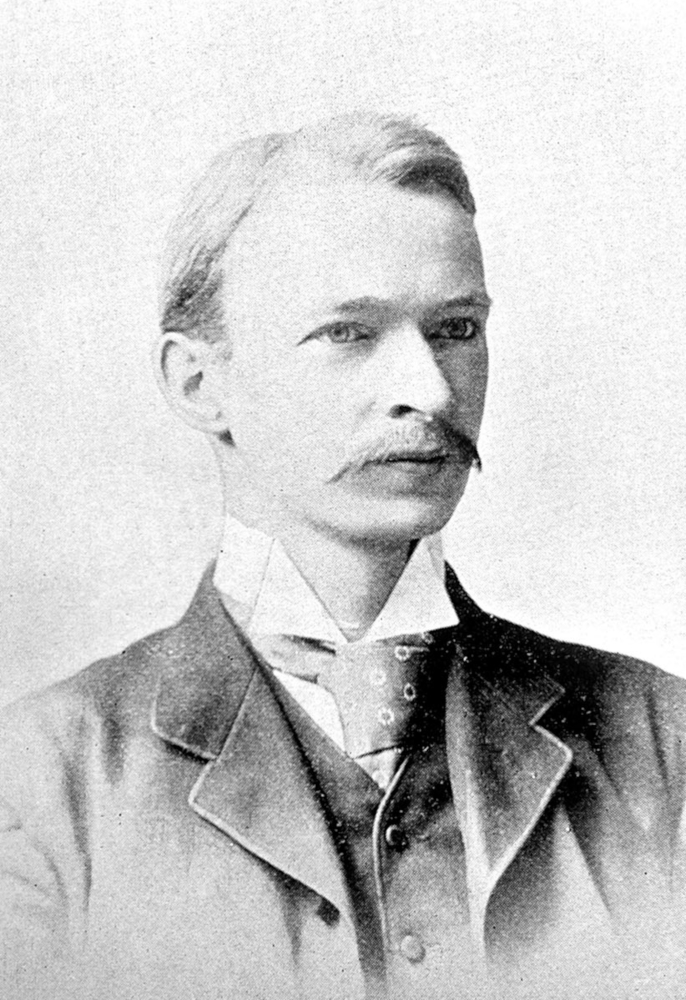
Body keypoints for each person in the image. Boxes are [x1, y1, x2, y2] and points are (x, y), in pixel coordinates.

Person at [1, 112, 684, 1000]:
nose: (429, 390)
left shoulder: (662, 744)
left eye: (457, 330)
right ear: (200, 384)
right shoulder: (47, 785)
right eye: (349, 334)